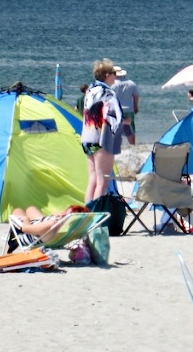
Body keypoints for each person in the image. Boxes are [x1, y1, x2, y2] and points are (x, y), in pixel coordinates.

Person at [81, 59, 123, 203]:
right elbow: (115, 117)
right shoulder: (107, 92)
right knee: (102, 182)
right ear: (106, 75)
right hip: (101, 139)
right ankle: (97, 218)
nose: (115, 76)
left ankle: (87, 213)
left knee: (92, 179)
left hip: (87, 137)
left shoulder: (90, 90)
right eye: (113, 73)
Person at [8, 204, 88, 249]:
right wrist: (56, 215)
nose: (63, 213)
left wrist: (26, 219)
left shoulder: (52, 224)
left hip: (31, 231)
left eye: (66, 214)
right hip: (43, 228)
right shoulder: (72, 229)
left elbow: (25, 229)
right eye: (65, 211)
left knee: (17, 210)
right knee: (31, 208)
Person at [111, 66, 139, 146]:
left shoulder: (112, 84)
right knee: (130, 129)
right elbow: (136, 96)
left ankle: (115, 145)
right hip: (128, 109)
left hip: (116, 110)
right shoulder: (131, 83)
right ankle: (133, 145)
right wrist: (136, 106)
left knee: (115, 128)